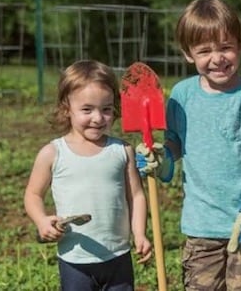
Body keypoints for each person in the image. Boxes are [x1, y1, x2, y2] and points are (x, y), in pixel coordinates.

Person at [135, 0, 241, 291]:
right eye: (204, 51)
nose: (217, 58)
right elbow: (175, 145)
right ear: (188, 54)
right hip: (201, 225)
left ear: (240, 45)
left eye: (226, 47)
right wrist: (161, 159)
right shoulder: (181, 96)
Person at [24, 59, 153, 290]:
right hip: (75, 258)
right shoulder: (53, 153)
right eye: (87, 109)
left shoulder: (122, 151)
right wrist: (41, 220)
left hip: (118, 256)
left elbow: (137, 196)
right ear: (67, 109)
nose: (98, 118)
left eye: (106, 109)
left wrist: (140, 233)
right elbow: (33, 194)